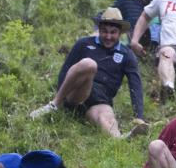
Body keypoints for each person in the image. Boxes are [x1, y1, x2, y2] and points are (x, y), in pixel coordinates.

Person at [29, 7, 148, 139]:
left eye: (113, 33)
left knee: (105, 118)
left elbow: (135, 86)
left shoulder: (127, 54)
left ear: (119, 33)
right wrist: (60, 95)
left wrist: (139, 116)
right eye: (104, 32)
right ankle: (55, 104)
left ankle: (120, 138)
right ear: (99, 30)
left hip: (100, 99)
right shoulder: (84, 44)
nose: (108, 37)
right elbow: (66, 69)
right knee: (89, 64)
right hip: (76, 93)